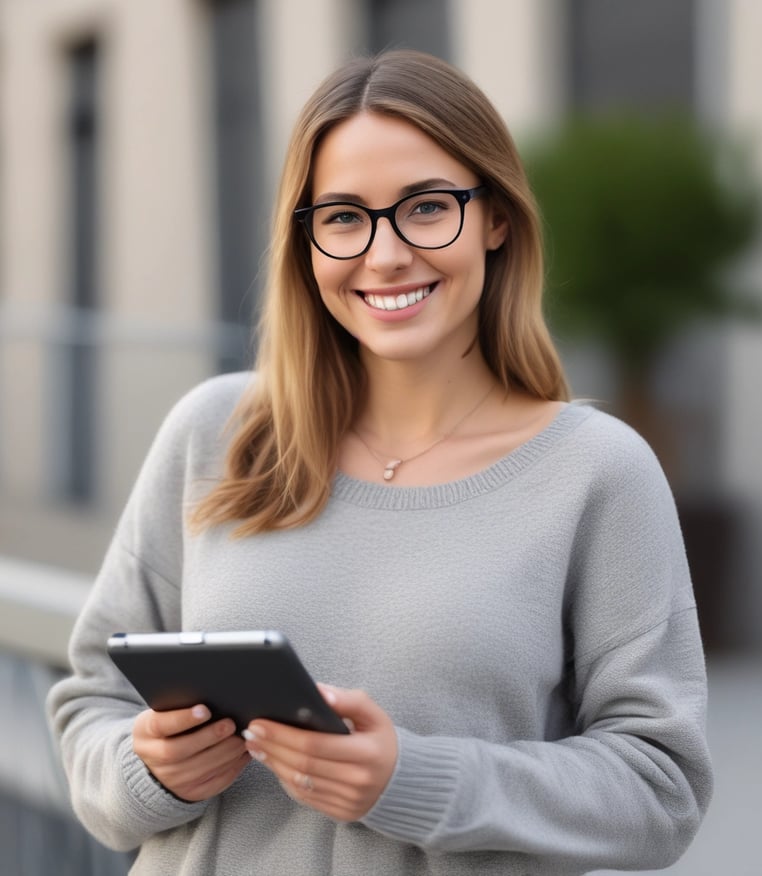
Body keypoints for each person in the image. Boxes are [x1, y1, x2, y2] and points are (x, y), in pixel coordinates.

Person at [47, 50, 713, 875]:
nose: (386, 254)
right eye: (343, 217)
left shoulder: (597, 472)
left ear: (496, 217)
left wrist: (417, 779)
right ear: (307, 241)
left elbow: (660, 789)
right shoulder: (215, 432)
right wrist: (149, 770)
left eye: (427, 208)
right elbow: (90, 704)